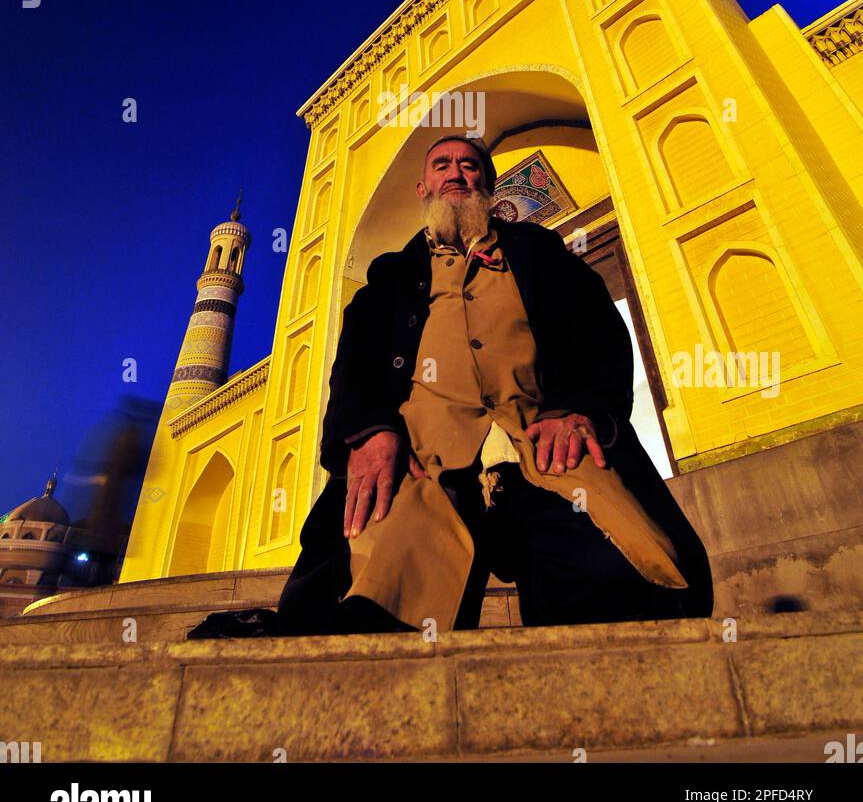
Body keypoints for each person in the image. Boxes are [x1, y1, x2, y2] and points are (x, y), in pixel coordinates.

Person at [187, 133, 712, 640]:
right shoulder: (391, 278)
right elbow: (355, 370)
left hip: (540, 446)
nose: (456, 174)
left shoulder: (539, 254)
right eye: (442, 166)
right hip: (422, 460)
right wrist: (371, 432)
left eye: (469, 166)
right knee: (374, 606)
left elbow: (597, 336)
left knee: (618, 583)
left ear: (488, 184)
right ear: (423, 190)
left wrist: (576, 409)